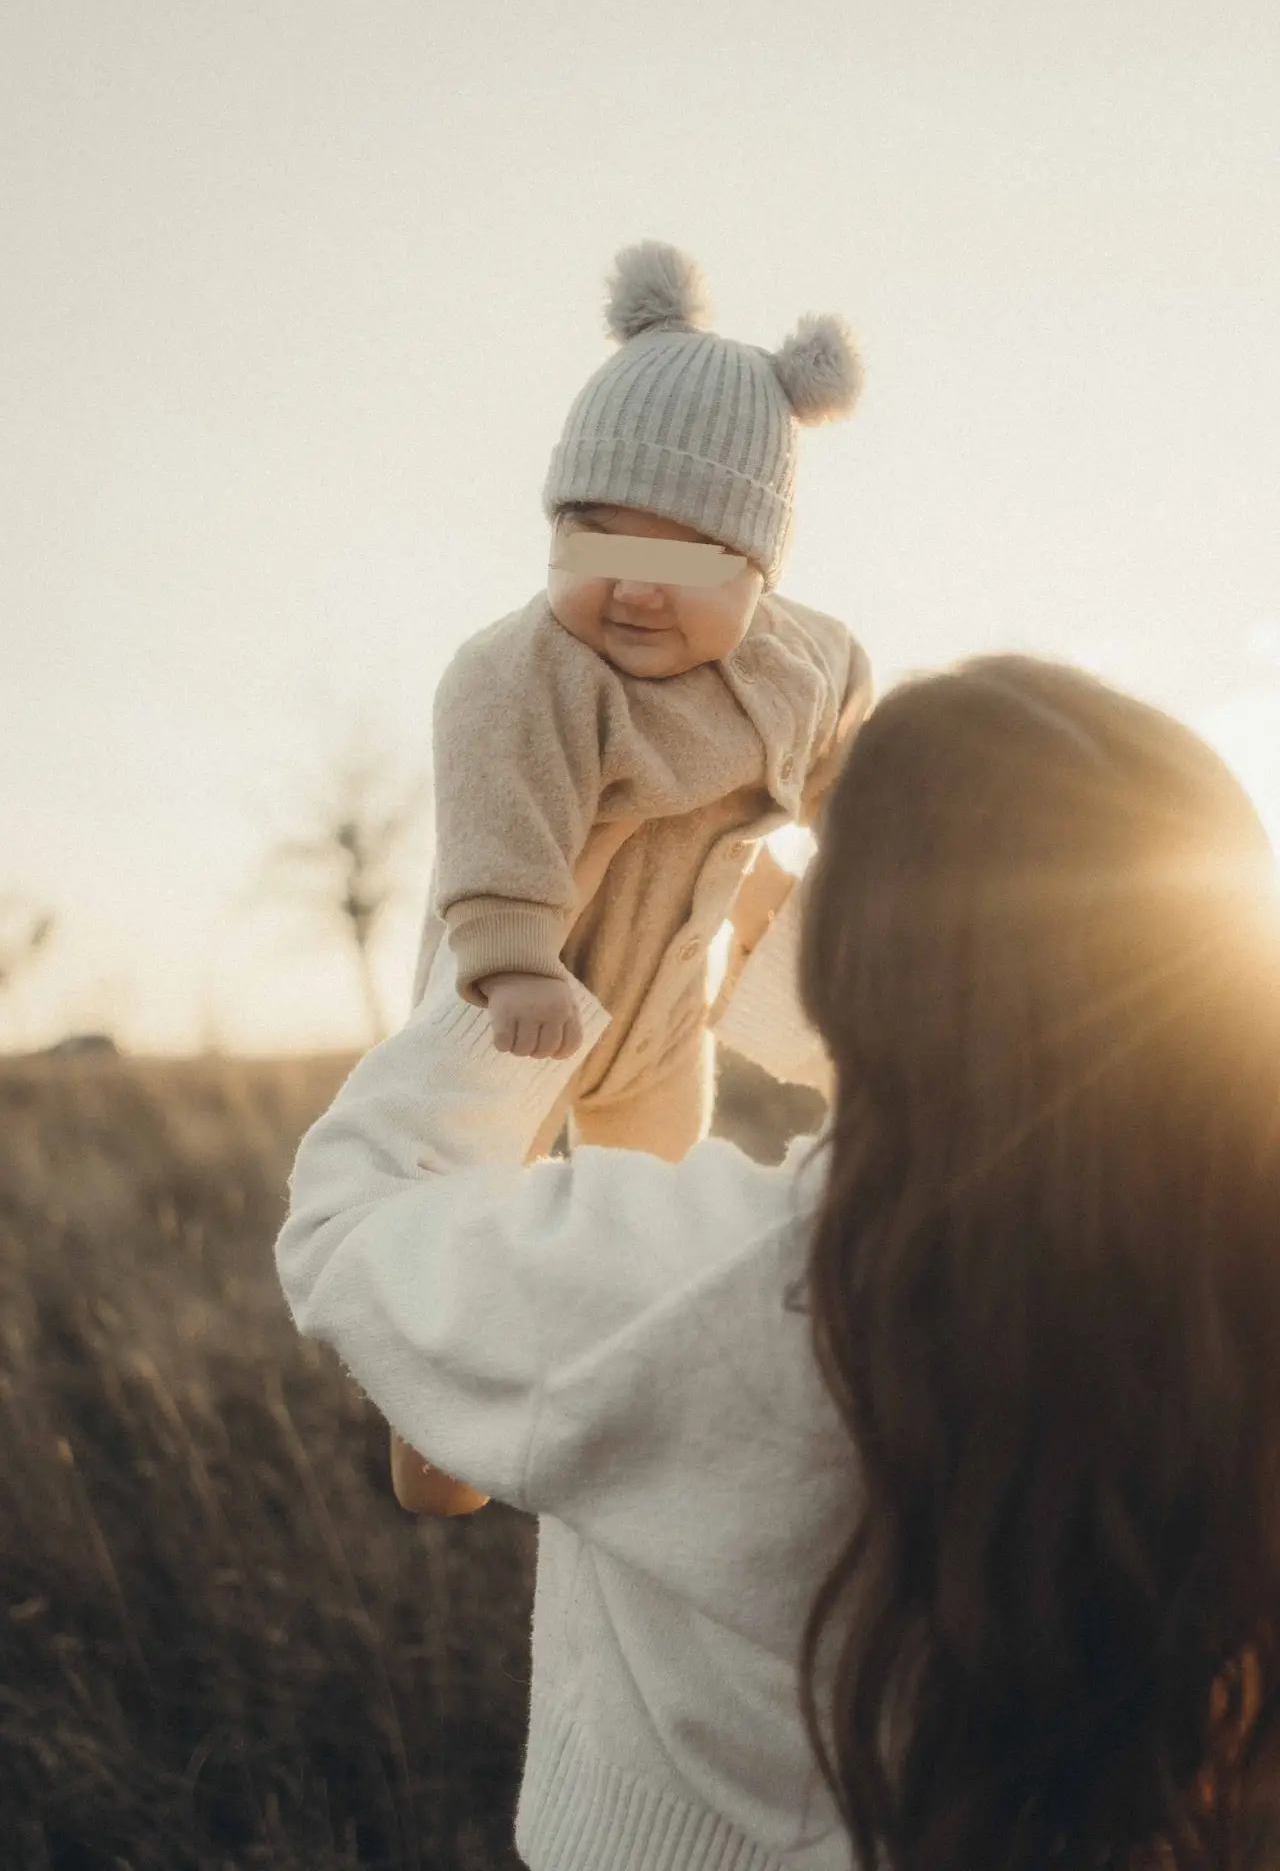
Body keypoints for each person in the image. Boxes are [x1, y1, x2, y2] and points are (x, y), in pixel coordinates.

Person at [276, 654, 1280, 1871]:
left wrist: (511, 947)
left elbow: (354, 1217)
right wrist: (747, 932)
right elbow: (1027, 1108)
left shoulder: (704, 1278)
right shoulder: (1213, 1281)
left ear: (868, 952)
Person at [393, 238, 870, 1514]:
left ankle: (617, 1391)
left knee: (646, 1219)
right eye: (596, 540)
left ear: (759, 573)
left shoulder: (798, 667)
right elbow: (498, 819)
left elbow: (848, 763)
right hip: (512, 1010)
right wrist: (510, 961)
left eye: (691, 561)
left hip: (659, 1024)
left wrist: (866, 851)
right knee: (468, 1240)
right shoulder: (526, 674)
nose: (636, 591)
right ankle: (439, 1445)